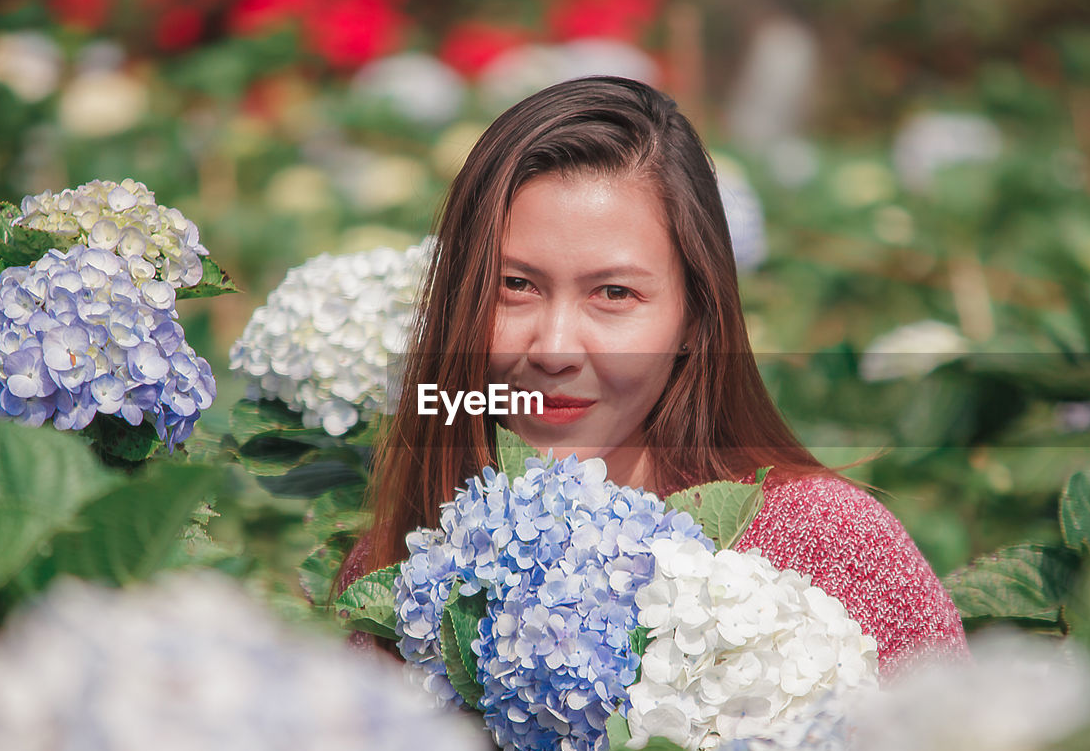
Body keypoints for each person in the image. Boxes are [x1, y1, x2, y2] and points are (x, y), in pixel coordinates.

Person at [337, 76, 968, 679]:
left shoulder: (831, 548)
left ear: (696, 316)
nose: (555, 349)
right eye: (515, 286)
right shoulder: (398, 567)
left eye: (613, 293)